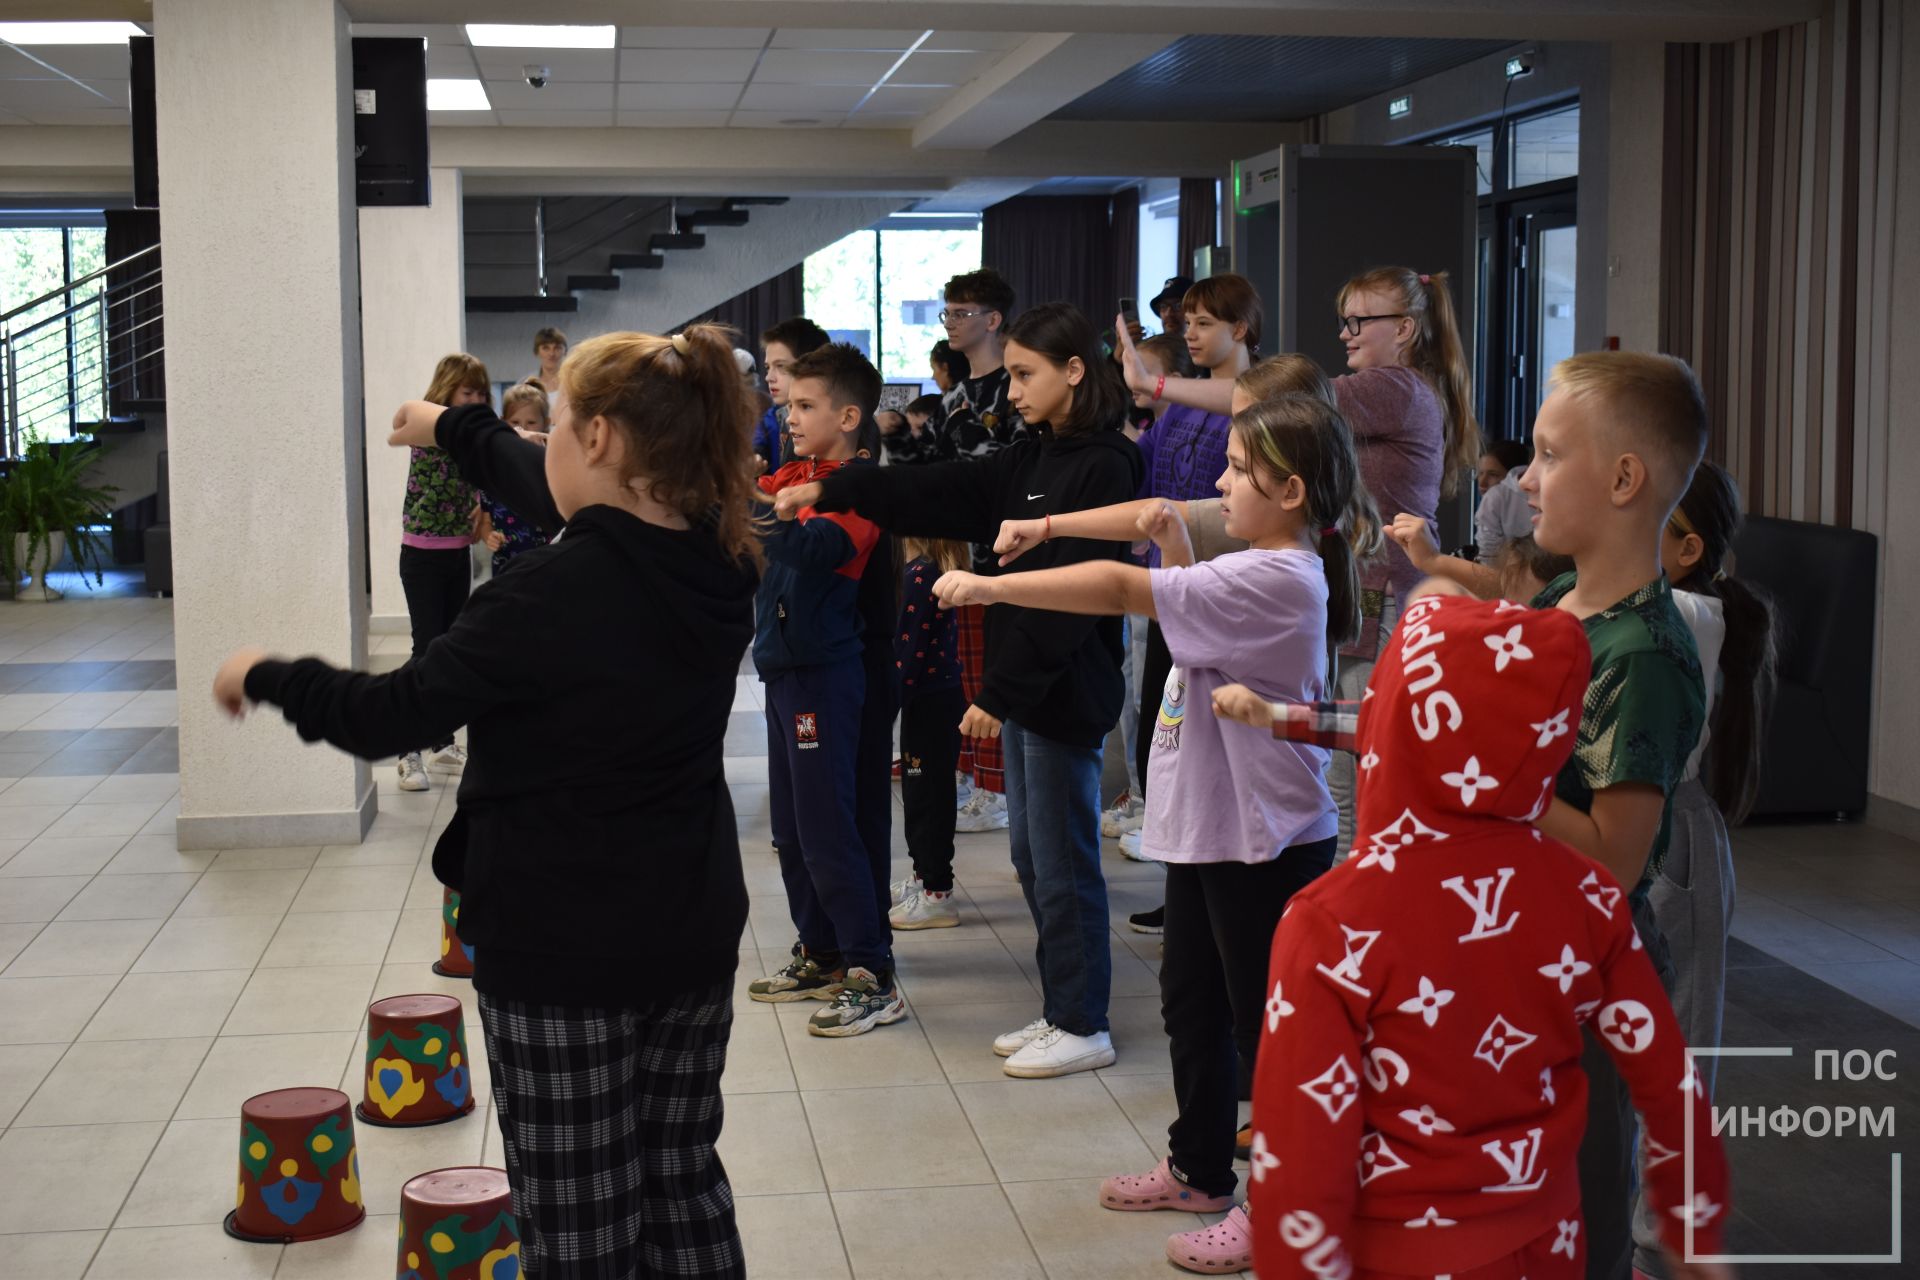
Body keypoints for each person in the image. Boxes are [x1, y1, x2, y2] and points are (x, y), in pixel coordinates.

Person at [214, 325, 760, 1279]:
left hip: (562, 947)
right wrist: (453, 428)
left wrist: (272, 673)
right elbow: (553, 487)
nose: (538, 444)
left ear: (596, 440)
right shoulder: (723, 561)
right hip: (692, 927)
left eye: (554, 425)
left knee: (581, 1223)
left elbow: (391, 715)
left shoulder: (544, 593)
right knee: (682, 1187)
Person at [957, 394, 1375, 1270]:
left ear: (1292, 490)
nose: (1217, 483)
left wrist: (992, 585)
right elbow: (1179, 598)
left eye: (1236, 470)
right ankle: (1198, 1168)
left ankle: (1280, 1208)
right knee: (1193, 1005)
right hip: (1210, 829)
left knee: (1268, 1032)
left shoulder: (1278, 574)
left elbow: (1118, 584)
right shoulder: (1255, 559)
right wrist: (1154, 543)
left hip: (1263, 840)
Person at [1219, 594, 1731, 1280]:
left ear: (1393, 726)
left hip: (1396, 1254)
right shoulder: (1586, 896)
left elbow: (1301, 1147)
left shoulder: (1330, 921)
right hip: (1550, 1241)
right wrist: (1691, 1215)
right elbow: (1667, 1075)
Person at [780, 302, 1142, 1078]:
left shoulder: (1105, 464)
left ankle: (1083, 1021)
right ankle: (1062, 1007)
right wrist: (842, 489)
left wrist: (1000, 692)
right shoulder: (1030, 455)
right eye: (1008, 374)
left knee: (1064, 859)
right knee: (1031, 855)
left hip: (1059, 689)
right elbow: (946, 488)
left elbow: (1070, 595)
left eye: (1023, 375)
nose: (1009, 390)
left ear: (1075, 371)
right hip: (1026, 689)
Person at [1518, 351, 1711, 1280]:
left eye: (1551, 455)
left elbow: (1613, 864)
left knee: (1581, 1207)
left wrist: (1495, 782)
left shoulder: (1642, 654)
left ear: (1625, 479)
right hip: (1527, 951)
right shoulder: (1561, 599)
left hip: (1591, 979)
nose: (1526, 477)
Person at [1630, 460, 1776, 1280]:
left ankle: (1661, 1249)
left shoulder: (1684, 611)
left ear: (1684, 549)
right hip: (1646, 837)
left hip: (1674, 847)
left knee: (1673, 1058)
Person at [745, 342, 906, 1038]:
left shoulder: (855, 488)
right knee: (790, 831)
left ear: (848, 415)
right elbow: (762, 510)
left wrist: (753, 506)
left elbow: (817, 550)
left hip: (826, 675)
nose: (789, 415)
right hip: (784, 670)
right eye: (786, 405)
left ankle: (871, 972)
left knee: (828, 826)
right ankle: (821, 953)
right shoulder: (798, 473)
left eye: (805, 405)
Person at [1114, 275, 1262, 862]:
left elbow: (1244, 401)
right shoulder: (1180, 405)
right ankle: (1180, 872)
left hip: (1227, 589)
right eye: (1188, 322)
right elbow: (1140, 467)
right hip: (1171, 583)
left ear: (1241, 328)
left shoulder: (1263, 395)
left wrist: (1153, 382)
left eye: (1205, 323)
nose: (1190, 334)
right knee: (1165, 722)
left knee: (1211, 733)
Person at [936, 268, 1026, 832]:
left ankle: (999, 789)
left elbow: (1008, 469)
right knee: (967, 673)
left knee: (999, 673)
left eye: (962, 313)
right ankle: (978, 777)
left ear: (992, 320)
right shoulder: (955, 395)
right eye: (947, 312)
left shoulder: (1012, 390)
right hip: (963, 550)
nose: (951, 322)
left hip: (1010, 554)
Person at [1106, 332, 1195, 846]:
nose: (1132, 379)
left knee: (1161, 700)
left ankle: (1154, 811)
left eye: (1143, 370)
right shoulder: (1159, 428)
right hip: (1156, 579)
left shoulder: (1188, 419)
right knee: (1140, 697)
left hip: (1175, 582)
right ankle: (1145, 802)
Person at [395, 353, 490, 792]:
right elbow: (402, 425)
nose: (474, 400)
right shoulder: (431, 429)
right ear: (447, 389)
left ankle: (441, 744)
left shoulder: (471, 436)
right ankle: (407, 750)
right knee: (425, 649)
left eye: (480, 394)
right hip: (422, 556)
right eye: (466, 391)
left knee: (448, 650)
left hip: (456, 555)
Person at [887, 535, 971, 930]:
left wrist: (885, 705)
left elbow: (908, 652)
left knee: (929, 797)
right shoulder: (922, 568)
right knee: (920, 793)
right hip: (930, 698)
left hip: (931, 701)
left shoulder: (922, 575)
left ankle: (938, 893)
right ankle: (925, 876)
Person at [475, 380, 552, 577]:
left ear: (546, 424)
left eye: (531, 423)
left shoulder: (554, 470)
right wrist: (488, 536)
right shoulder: (493, 473)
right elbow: (485, 522)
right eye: (515, 423)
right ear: (502, 423)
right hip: (506, 569)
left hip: (546, 567)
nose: (522, 430)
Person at [754, 316, 831, 475]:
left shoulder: (833, 421)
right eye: (768, 367)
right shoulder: (774, 416)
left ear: (811, 365)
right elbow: (758, 448)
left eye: (780, 366)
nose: (769, 377)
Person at [1476, 438, 1536, 567]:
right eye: (1480, 473)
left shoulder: (1497, 496)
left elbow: (1488, 560)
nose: (1482, 483)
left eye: (1493, 474)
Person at [528, 326, 566, 408]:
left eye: (557, 348)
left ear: (565, 351)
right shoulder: (526, 384)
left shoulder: (575, 383)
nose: (551, 354)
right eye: (546, 348)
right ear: (537, 352)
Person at [1149, 275, 1194, 340]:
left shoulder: (1207, 349)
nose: (1169, 314)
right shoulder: (1152, 348)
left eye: (1178, 306)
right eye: (1163, 306)